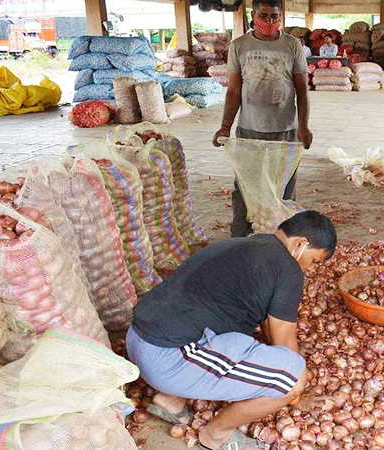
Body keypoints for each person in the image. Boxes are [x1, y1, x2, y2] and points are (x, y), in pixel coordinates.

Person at [127, 211, 337, 450]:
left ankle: (170, 400)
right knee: (293, 378)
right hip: (166, 358)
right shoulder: (288, 268)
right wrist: (296, 395)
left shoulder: (247, 244)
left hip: (139, 339)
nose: (310, 269)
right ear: (300, 244)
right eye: (314, 261)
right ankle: (216, 435)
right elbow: (285, 343)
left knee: (238, 337)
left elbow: (269, 325)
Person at [212, 0, 312, 238]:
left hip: (285, 130)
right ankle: (240, 237)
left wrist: (303, 126)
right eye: (264, 15)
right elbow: (234, 91)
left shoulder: (292, 45)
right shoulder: (239, 46)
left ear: (280, 16)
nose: (269, 21)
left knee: (284, 187)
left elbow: (302, 90)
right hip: (250, 130)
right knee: (245, 187)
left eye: (274, 16)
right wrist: (225, 126)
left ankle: (283, 238)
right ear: (253, 15)